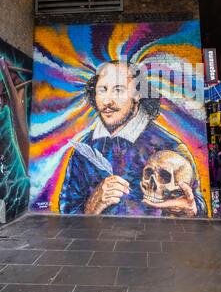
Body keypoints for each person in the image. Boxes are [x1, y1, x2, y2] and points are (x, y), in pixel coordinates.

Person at [59, 60, 207, 217]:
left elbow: (197, 206)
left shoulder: (171, 147)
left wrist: (192, 209)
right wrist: (91, 206)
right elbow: (67, 210)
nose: (107, 101)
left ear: (138, 94)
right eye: (102, 90)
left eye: (118, 90)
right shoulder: (85, 148)